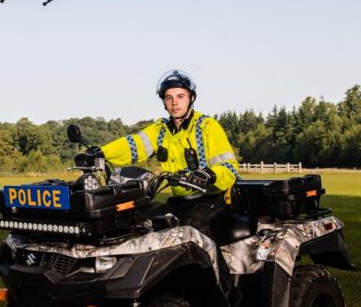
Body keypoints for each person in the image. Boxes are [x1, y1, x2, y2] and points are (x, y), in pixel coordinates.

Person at [77, 69, 240, 233]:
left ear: (191, 98)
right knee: (142, 221)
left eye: (180, 96)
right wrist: (100, 153)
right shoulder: (161, 130)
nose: (174, 102)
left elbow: (229, 166)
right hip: (179, 200)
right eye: (169, 98)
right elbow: (133, 144)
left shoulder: (207, 126)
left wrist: (209, 175)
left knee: (193, 228)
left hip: (210, 200)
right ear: (164, 102)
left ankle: (212, 260)